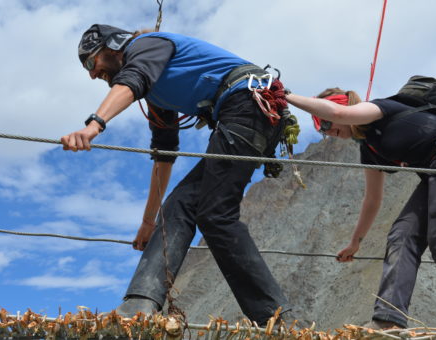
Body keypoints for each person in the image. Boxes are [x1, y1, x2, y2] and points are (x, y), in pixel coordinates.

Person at [61, 24, 290, 325]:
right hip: (241, 116)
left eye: (92, 62)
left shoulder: (146, 46)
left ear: (115, 46)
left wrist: (94, 125)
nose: (93, 73)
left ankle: (277, 319)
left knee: (215, 215)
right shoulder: (158, 93)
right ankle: (141, 304)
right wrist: (147, 222)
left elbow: (133, 79)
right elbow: (165, 154)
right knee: (179, 206)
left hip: (247, 105)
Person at [284, 86, 436, 329]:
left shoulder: (380, 108)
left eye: (325, 124)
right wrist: (355, 242)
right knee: (402, 235)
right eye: (321, 130)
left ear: (343, 108)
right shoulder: (369, 148)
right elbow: (372, 199)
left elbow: (338, 114)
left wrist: (286, 96)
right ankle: (389, 319)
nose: (329, 132)